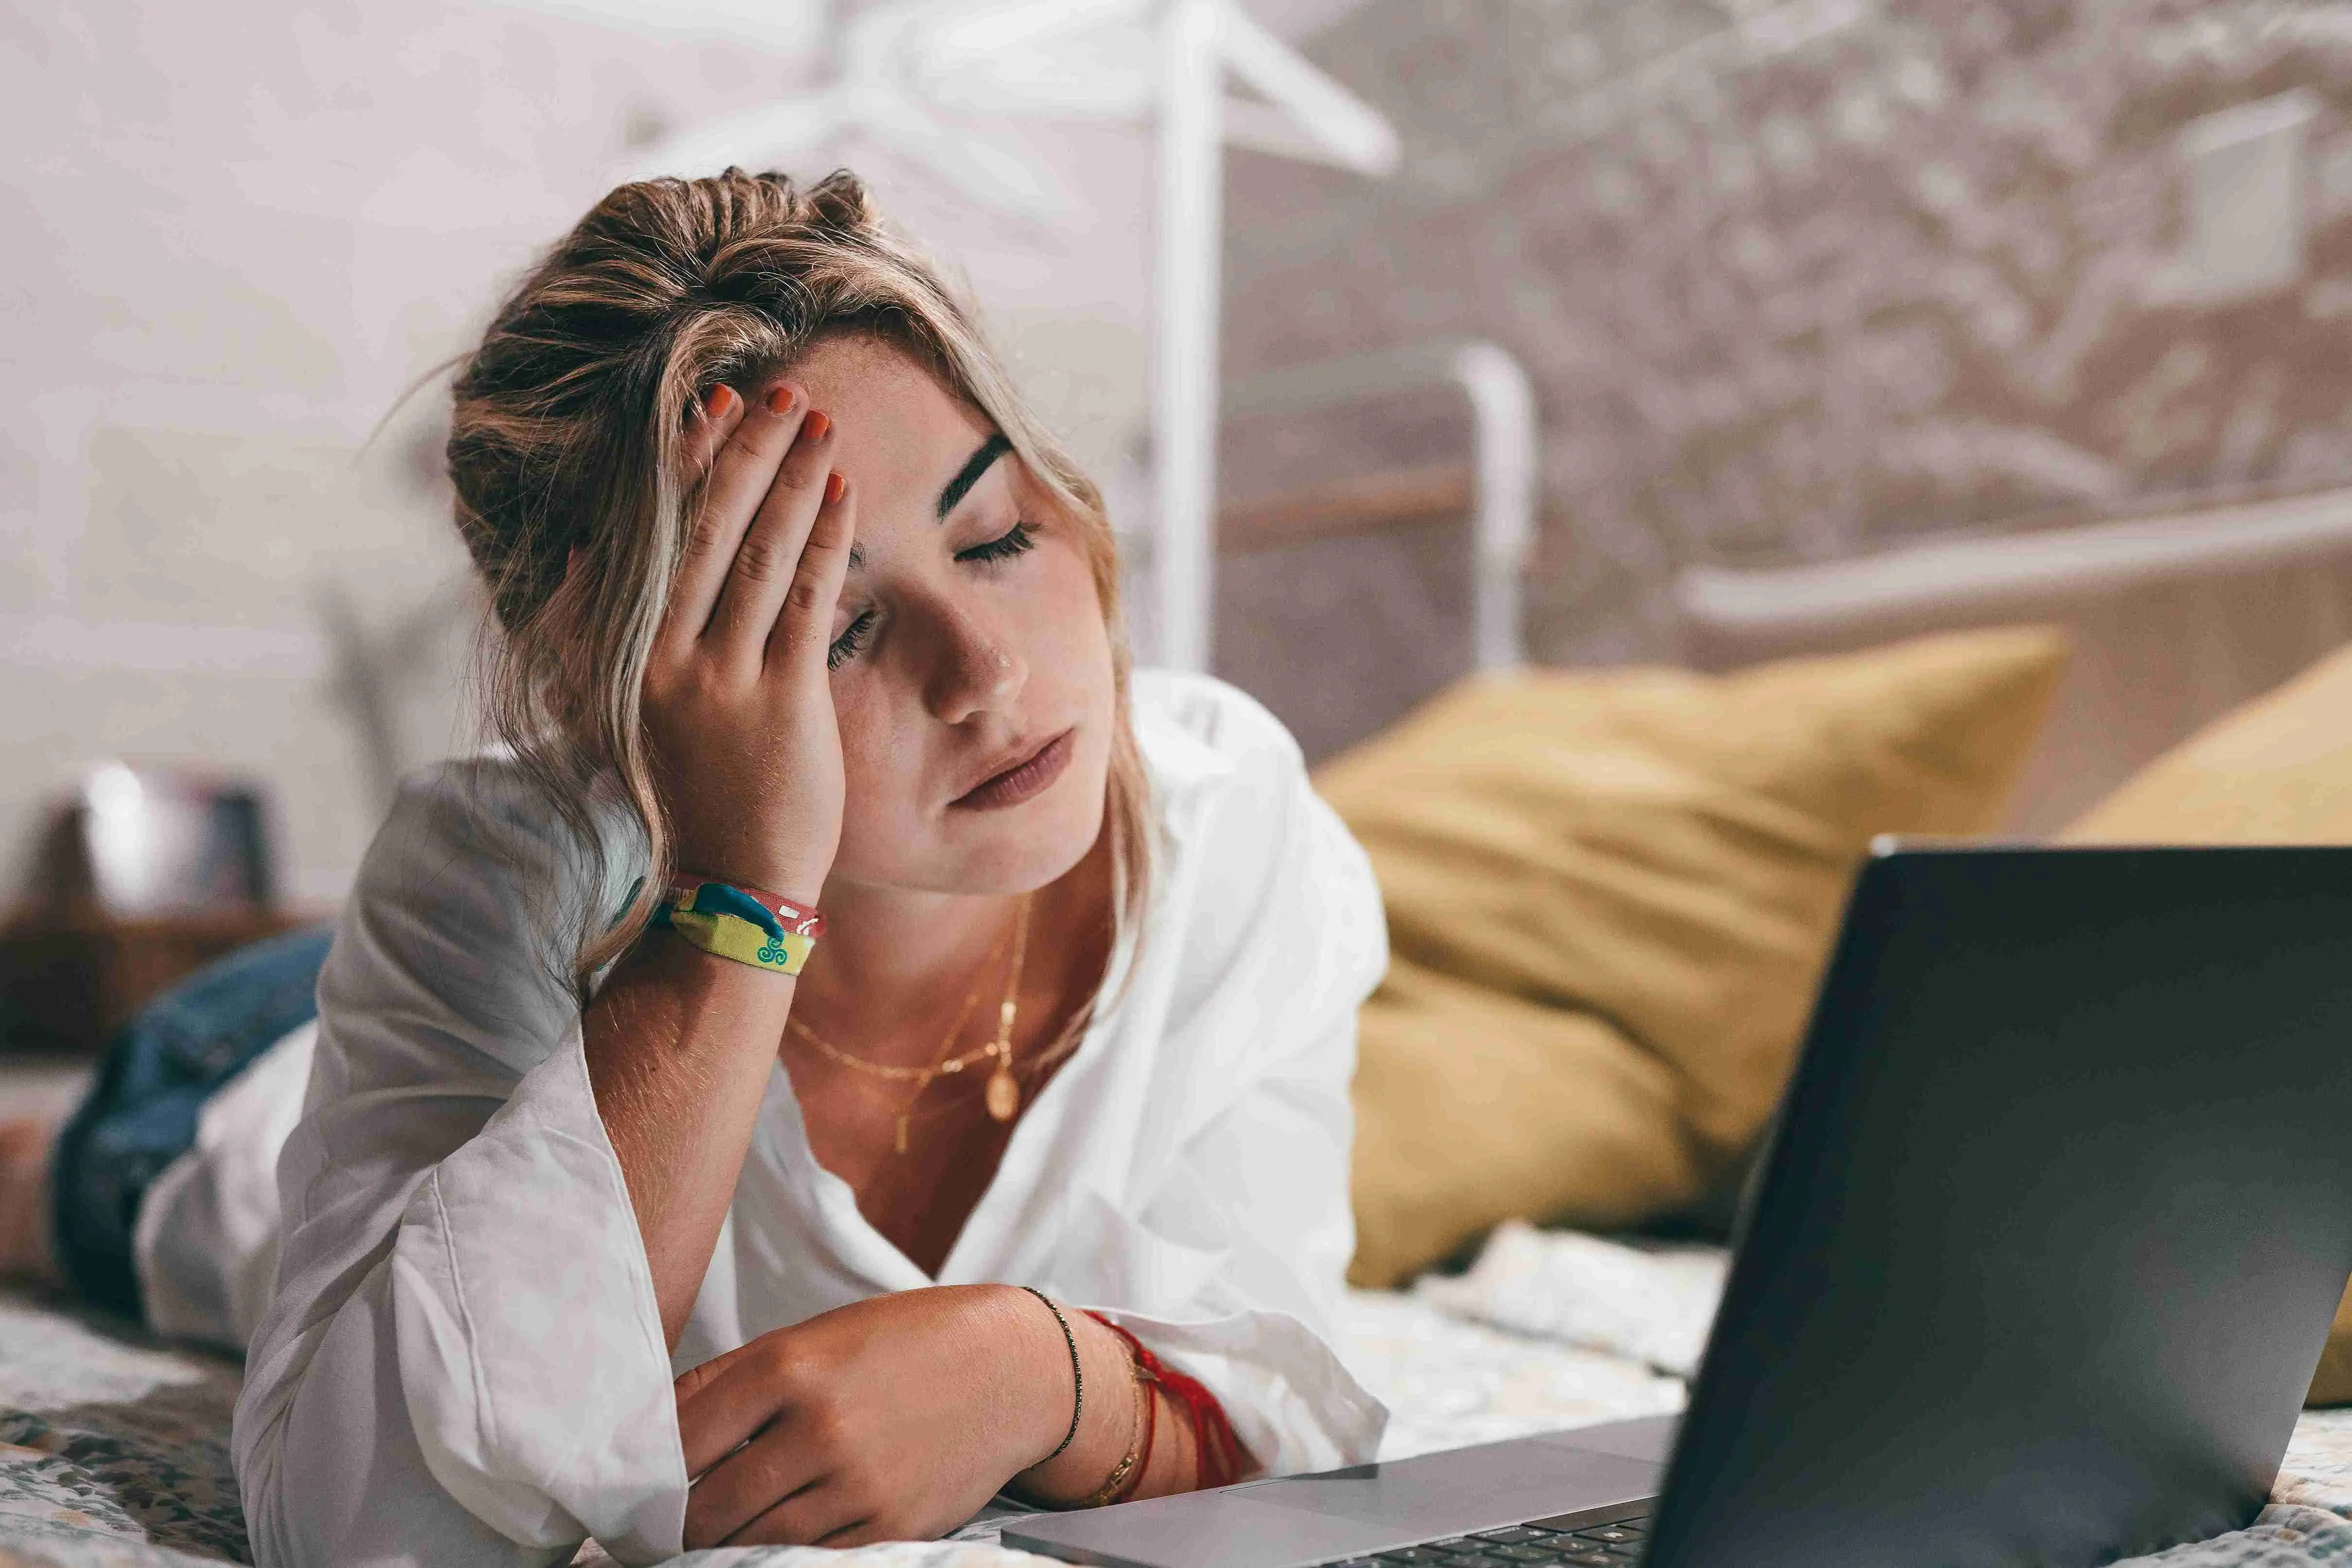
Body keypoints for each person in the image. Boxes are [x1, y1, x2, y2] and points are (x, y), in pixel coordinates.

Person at [0, 167, 1389, 1566]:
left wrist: (1042, 1373)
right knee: (68, 1178)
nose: (987, 674)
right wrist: (742, 900)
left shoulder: (1229, 825)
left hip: (526, 950)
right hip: (238, 1081)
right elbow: (370, 1529)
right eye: (826, 632)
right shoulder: (495, 871)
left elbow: (1297, 1394)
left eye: (996, 536)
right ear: (636, 697)